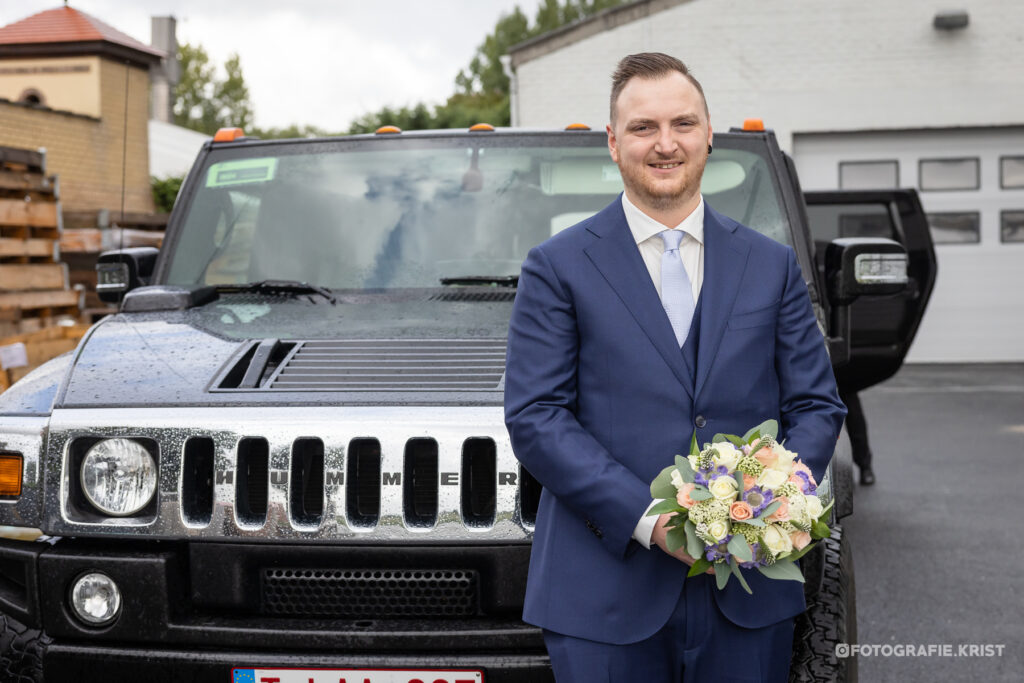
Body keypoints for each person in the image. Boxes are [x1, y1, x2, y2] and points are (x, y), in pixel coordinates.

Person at [503, 53, 847, 682]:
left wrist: (775, 504)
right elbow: (536, 416)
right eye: (643, 128)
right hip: (603, 594)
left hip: (749, 589)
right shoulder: (556, 267)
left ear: (708, 133)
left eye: (683, 124)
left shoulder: (770, 265)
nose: (666, 144)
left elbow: (816, 406)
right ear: (612, 142)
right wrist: (648, 519)